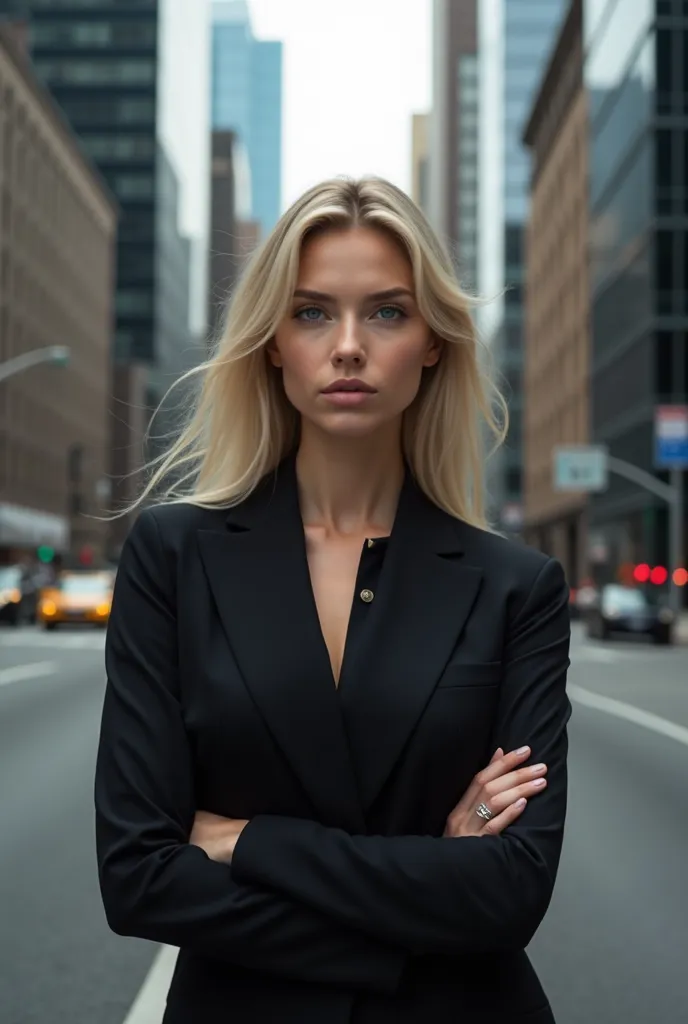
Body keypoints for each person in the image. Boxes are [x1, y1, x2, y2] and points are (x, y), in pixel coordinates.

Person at [95, 177, 571, 1024]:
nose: (348, 345)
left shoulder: (517, 588)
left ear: (432, 341)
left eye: (387, 312)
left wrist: (246, 841)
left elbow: (512, 890)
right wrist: (427, 884)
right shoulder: (173, 557)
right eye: (313, 312)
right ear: (272, 341)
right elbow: (139, 878)